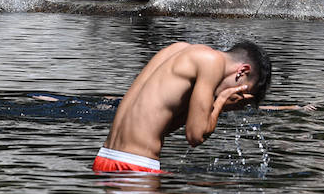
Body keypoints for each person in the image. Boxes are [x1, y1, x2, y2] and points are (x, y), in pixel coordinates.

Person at [93, 40, 273, 174]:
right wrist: (219, 103)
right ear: (242, 71)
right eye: (243, 95)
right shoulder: (213, 61)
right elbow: (195, 136)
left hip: (106, 158)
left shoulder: (177, 50)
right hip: (136, 166)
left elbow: (158, 124)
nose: (237, 104)